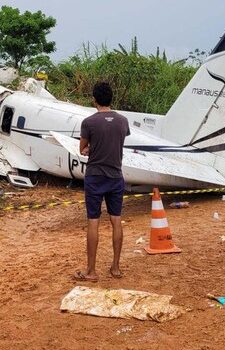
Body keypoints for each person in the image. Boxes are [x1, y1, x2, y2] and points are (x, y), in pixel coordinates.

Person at [73, 81, 130, 282]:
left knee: (93, 222)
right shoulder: (123, 121)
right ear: (111, 99)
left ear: (94, 100)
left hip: (95, 176)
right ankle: (115, 267)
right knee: (116, 220)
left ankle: (91, 271)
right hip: (116, 176)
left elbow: (83, 149)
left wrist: (91, 149)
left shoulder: (88, 123)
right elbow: (118, 143)